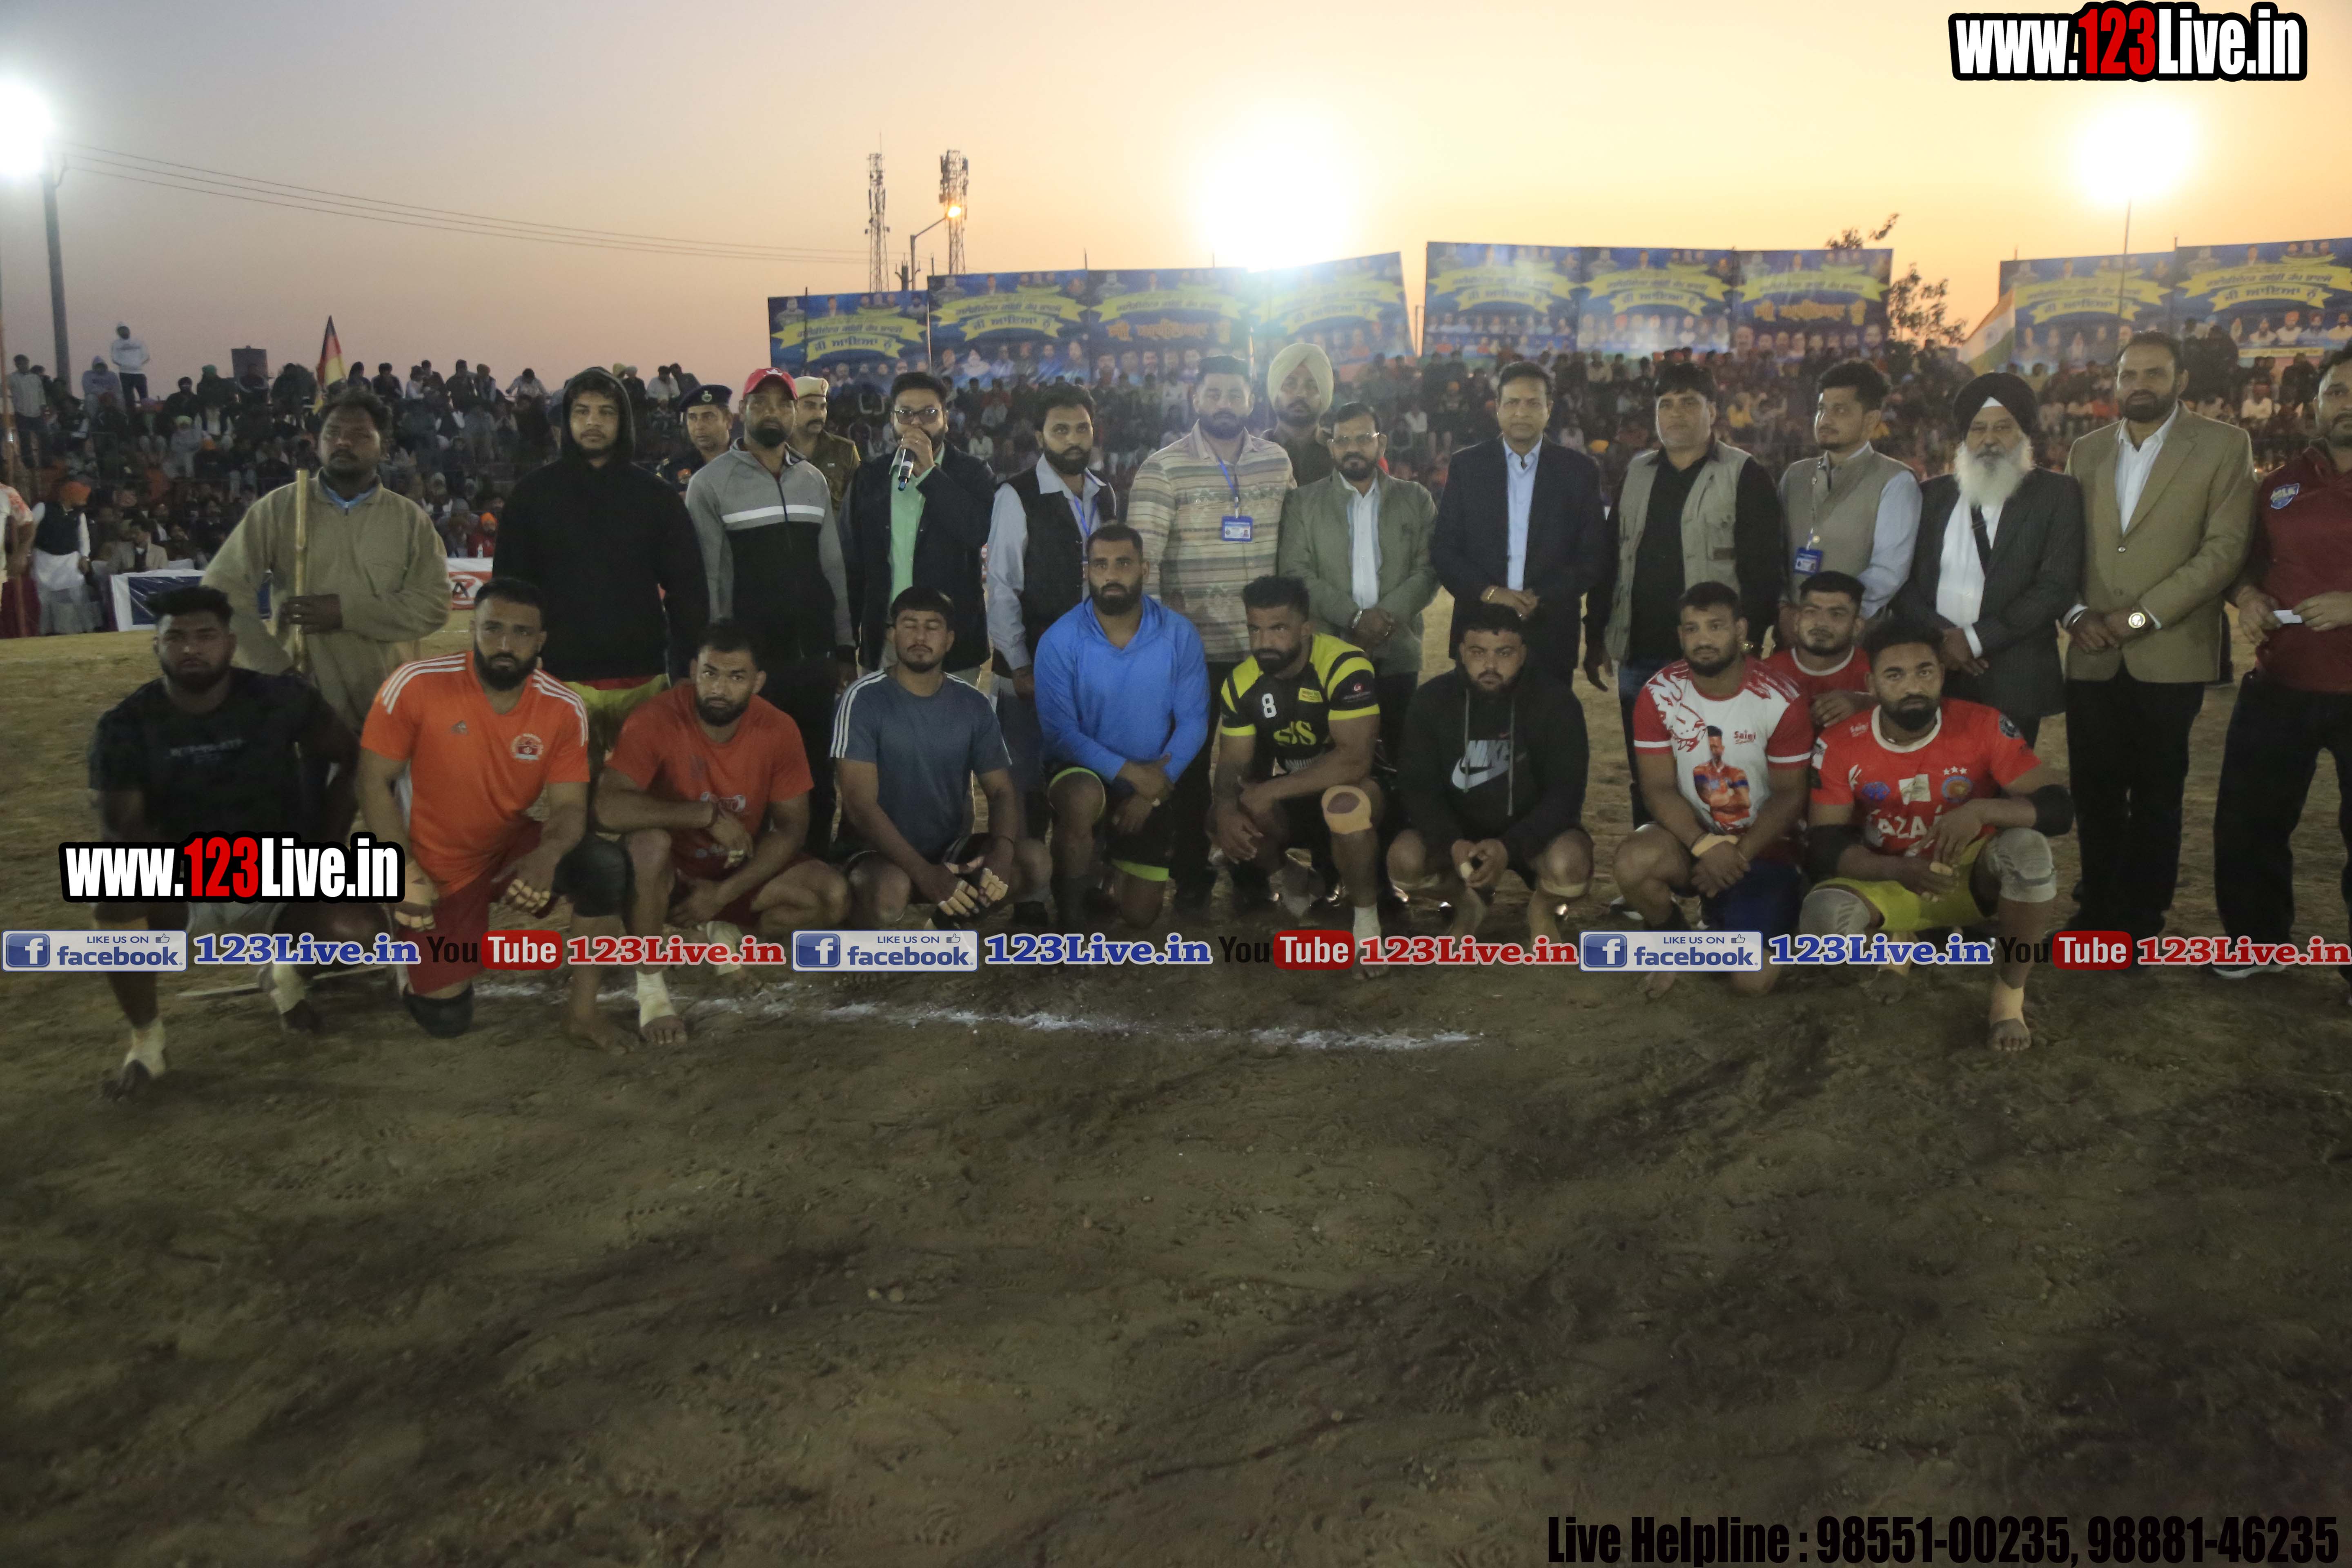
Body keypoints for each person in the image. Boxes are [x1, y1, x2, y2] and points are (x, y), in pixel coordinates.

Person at [87, 586, 381, 1098]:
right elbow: (123, 834)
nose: (191, 648)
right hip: (185, 881)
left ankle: (286, 971)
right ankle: (147, 1041)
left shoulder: (280, 699)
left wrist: (326, 845)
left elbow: (350, 756)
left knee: (359, 932)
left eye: (205, 636)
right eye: (175, 638)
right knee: (115, 889)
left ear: (230, 642)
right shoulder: (125, 726)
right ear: (156, 647)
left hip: (278, 872)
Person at [356, 577, 633, 1049]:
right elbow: (371, 782)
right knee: (445, 1018)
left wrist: (547, 856)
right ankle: (403, 953)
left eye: (522, 633)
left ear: (541, 641)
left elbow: (570, 807)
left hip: (504, 844)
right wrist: (402, 871)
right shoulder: (417, 684)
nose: (506, 645)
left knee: (602, 866)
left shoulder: (563, 707)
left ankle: (583, 1014)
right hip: (429, 860)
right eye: (493, 629)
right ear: (473, 629)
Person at [2061, 331, 2256, 942]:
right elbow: (2064, 549)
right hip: (2091, 652)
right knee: (2094, 792)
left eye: (2154, 373)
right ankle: (2096, 912)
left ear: (2182, 381)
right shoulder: (2087, 450)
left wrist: (2140, 617)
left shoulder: (2225, 445)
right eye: (2129, 375)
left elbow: (2224, 551)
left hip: (2168, 653)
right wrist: (2076, 615)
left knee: (2156, 795)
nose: (2139, 385)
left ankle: (2141, 921)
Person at [1802, 619, 2074, 1052]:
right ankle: (1899, 945)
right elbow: (1825, 844)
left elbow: (2058, 809)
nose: (1913, 686)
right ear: (1871, 684)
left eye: (1924, 671)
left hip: (1969, 876)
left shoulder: (1984, 724)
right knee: (1823, 925)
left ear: (1942, 674)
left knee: (2029, 852)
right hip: (1890, 877)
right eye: (1895, 675)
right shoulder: (1840, 743)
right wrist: (1899, 870)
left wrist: (1981, 810)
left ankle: (2009, 997)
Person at [599, 622, 849, 1045]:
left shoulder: (779, 728)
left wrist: (723, 894)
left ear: (758, 682)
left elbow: (792, 828)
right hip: (666, 879)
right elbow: (606, 808)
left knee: (833, 897)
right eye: (710, 673)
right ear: (693, 671)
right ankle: (652, 989)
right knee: (648, 843)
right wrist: (703, 816)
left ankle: (723, 929)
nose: (719, 688)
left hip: (732, 870)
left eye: (736, 677)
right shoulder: (656, 718)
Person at [1125, 354, 1294, 913]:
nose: (1225, 404)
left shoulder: (1276, 462)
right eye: (1214, 394)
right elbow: (1143, 566)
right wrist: (1154, 648)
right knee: (1190, 768)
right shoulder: (1163, 469)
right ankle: (1191, 873)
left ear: (1251, 401)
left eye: (1235, 394)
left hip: (1260, 650)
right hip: (1189, 651)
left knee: (1254, 767)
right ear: (1195, 398)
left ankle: (1249, 871)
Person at [1588, 361, 1786, 826]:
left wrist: (1750, 641)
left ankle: (1715, 861)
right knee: (1648, 773)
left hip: (1713, 660)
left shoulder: (1745, 474)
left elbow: (1763, 568)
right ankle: (1652, 862)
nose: (1676, 414)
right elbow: (1611, 560)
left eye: (1689, 403)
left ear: (1713, 411)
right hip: (1639, 654)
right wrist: (1595, 634)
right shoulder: (1636, 474)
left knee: (1716, 771)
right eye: (1666, 404)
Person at [2213, 350, 2352, 982]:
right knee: (2249, 825)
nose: (2347, 403)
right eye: (2336, 392)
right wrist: (2248, 598)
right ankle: (2258, 943)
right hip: (2280, 684)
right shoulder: (2279, 485)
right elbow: (2244, 564)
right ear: (2316, 405)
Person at [203, 389, 450, 733]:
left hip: (389, 705)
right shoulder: (279, 508)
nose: (343, 442)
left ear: (384, 447)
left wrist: (345, 612)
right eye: (332, 433)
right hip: (303, 705)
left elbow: (434, 604)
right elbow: (221, 592)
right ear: (318, 443)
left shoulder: (410, 520)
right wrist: (275, 671)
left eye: (360, 435)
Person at [493, 366, 708, 755]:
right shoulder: (532, 497)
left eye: (606, 412)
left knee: (642, 788)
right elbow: (510, 592)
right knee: (569, 788)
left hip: (642, 677)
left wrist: (686, 664)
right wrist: (516, 662)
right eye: (582, 411)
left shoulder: (656, 498)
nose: (593, 422)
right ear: (566, 420)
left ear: (623, 422)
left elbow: (687, 587)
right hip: (559, 679)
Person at [1611, 582, 1813, 992]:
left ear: (1740, 630)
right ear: (1680, 635)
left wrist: (1735, 856)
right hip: (1696, 843)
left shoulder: (1779, 698)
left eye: (1716, 627)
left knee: (1751, 982)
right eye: (1692, 629)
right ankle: (1677, 946)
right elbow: (1657, 788)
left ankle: (1765, 918)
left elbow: (1790, 794)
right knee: (1634, 861)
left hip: (1764, 849)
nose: (1703, 640)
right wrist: (1705, 846)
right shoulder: (1660, 693)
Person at [686, 368, 855, 854]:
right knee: (755, 777)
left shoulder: (812, 480)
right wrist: (719, 660)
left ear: (794, 412)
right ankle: (755, 881)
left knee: (817, 775)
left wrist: (844, 645)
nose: (773, 412)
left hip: (814, 659)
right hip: (753, 665)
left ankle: (816, 870)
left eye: (783, 404)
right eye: (761, 403)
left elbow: (832, 567)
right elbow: (711, 580)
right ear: (743, 411)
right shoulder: (710, 484)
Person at [834, 586, 1049, 929]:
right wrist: (924, 874)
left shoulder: (973, 704)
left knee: (1033, 861)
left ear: (949, 640)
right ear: (891, 635)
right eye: (909, 625)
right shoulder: (863, 699)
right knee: (889, 892)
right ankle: (856, 933)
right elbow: (860, 806)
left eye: (932, 627)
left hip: (948, 849)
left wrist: (1003, 851)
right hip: (876, 852)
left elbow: (1001, 791)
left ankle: (950, 923)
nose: (920, 637)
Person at [1893, 372, 2085, 747]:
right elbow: (1902, 582)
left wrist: (1975, 640)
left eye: (2003, 427)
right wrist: (1942, 638)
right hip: (1935, 668)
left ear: (2024, 434)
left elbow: (2055, 586)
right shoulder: (1930, 496)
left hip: (2014, 674)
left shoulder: (2057, 494)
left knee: (2007, 776)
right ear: (1964, 437)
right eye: (1978, 429)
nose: (1989, 439)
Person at [1034, 523, 1209, 932]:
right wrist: (1133, 774)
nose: (1111, 574)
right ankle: (1071, 916)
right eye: (1100, 565)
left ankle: (1103, 870)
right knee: (1081, 798)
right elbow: (1061, 735)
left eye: (1123, 563)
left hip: (1150, 780)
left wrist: (1152, 790)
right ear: (1087, 572)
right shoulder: (1060, 640)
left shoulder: (1179, 634)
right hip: (1083, 774)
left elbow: (1194, 721)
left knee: (1139, 916)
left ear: (1145, 569)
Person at [1390, 601, 1592, 945]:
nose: (1490, 666)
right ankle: (1467, 903)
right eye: (1478, 652)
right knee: (1404, 861)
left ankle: (1542, 908)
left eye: (1504, 653)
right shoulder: (1431, 701)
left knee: (1570, 866)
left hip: (1535, 835)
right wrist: (1452, 843)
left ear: (1523, 654)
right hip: (1459, 836)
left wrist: (1509, 847)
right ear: (1461, 652)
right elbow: (1417, 788)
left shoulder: (1557, 702)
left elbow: (1566, 794)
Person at [1210, 575, 1385, 950]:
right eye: (1255, 629)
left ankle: (1367, 926)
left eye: (1278, 629)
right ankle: (1291, 873)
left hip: (1362, 792)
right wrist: (1225, 808)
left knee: (1344, 805)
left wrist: (1271, 790)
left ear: (1307, 628)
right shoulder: (1241, 682)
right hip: (1297, 795)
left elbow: (1355, 762)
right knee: (1221, 816)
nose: (1263, 642)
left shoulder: (1345, 665)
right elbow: (1233, 762)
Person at [1275, 400, 1439, 776]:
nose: (1353, 448)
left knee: (1400, 762)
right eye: (1343, 440)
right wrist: (1354, 619)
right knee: (1329, 768)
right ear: (1331, 447)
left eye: (1363, 438)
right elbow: (1296, 572)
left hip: (1397, 654)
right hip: (1327, 656)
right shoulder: (1303, 503)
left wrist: (1381, 621)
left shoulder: (1416, 499)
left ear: (1381, 443)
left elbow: (1429, 571)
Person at [1429, 361, 1611, 689]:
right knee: (1479, 723)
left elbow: (1593, 556)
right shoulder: (1467, 467)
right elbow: (1445, 549)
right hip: (1478, 632)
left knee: (1547, 721)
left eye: (1533, 403)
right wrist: (1492, 594)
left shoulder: (1579, 472)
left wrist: (1539, 597)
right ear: (1498, 407)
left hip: (1551, 632)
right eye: (1512, 402)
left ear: (1549, 409)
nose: (1521, 412)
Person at [985, 385, 1116, 825]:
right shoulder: (1016, 495)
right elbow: (1002, 587)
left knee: (1086, 787)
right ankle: (1029, 870)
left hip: (1092, 667)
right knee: (1025, 790)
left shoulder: (1104, 495)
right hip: (1032, 669)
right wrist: (1020, 665)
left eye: (1082, 428)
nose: (1074, 439)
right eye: (1061, 430)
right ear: (1040, 436)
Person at [845, 369, 996, 677]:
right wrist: (847, 643)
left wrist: (929, 474)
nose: (916, 423)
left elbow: (976, 531)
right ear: (892, 420)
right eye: (905, 414)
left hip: (953, 642)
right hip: (887, 639)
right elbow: (854, 563)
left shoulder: (973, 473)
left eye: (928, 413)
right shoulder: (871, 477)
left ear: (946, 419)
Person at [1775, 359, 1920, 628]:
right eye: (1822, 409)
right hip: (1793, 630)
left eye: (1840, 410)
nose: (1825, 420)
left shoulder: (1895, 481)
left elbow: (1889, 572)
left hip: (1856, 635)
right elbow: (1776, 553)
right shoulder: (1795, 476)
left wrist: (1835, 617)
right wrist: (1784, 608)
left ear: (1871, 420)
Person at [1762, 569, 1873, 727]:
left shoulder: (1876, 673)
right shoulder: (1766, 674)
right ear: (1797, 621)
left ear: (1857, 626)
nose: (1821, 622)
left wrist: (1863, 704)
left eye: (1836, 614)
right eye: (1812, 612)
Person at [1265, 341, 1335, 486]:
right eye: (1290, 384)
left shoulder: (1341, 450)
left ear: (1324, 394)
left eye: (1312, 385)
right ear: (1275, 392)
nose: (1301, 394)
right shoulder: (1253, 455)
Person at [788, 374, 862, 509]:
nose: (819, 414)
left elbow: (858, 505)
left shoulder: (845, 451)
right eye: (810, 407)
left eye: (823, 407)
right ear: (792, 408)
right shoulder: (778, 452)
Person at [659, 382, 733, 492]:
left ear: (729, 420)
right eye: (693, 418)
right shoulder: (673, 467)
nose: (699, 426)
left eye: (708, 417)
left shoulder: (750, 462)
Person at [108, 324, 151, 407]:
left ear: (128, 330)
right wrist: (125, 365)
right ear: (118, 333)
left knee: (144, 397)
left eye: (125, 330)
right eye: (121, 331)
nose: (124, 332)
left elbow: (146, 356)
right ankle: (132, 414)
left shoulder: (138, 342)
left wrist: (138, 363)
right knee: (129, 398)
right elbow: (115, 358)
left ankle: (146, 412)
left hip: (139, 373)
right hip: (125, 374)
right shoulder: (116, 344)